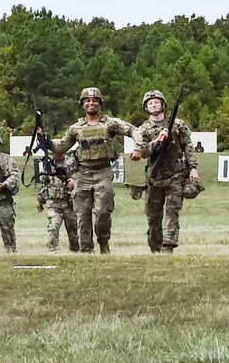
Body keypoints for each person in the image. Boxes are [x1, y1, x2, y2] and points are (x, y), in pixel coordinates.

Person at [38, 87, 138, 254]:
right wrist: (45, 140)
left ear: (99, 103)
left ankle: (103, 242)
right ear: (83, 104)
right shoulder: (76, 128)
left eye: (94, 100)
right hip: (83, 174)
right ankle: (86, 251)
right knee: (82, 215)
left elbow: (133, 130)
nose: (91, 103)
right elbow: (61, 147)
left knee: (102, 213)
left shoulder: (110, 123)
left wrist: (138, 147)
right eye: (87, 101)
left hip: (103, 173)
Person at [131, 90, 201, 254]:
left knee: (172, 212)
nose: (154, 105)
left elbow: (188, 147)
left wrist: (193, 168)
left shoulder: (178, 125)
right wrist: (158, 140)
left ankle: (168, 247)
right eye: (150, 103)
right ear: (146, 108)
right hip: (154, 177)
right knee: (153, 217)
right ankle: (155, 248)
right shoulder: (143, 130)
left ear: (163, 104)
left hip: (175, 175)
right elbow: (142, 152)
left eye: (156, 102)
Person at [36, 151, 79, 254]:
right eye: (54, 153)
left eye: (58, 152)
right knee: (53, 228)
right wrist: (40, 201)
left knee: (74, 232)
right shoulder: (49, 167)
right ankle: (53, 251)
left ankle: (76, 251)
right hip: (55, 204)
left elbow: (82, 178)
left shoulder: (71, 165)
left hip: (70, 204)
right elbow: (44, 185)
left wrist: (75, 182)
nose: (56, 155)